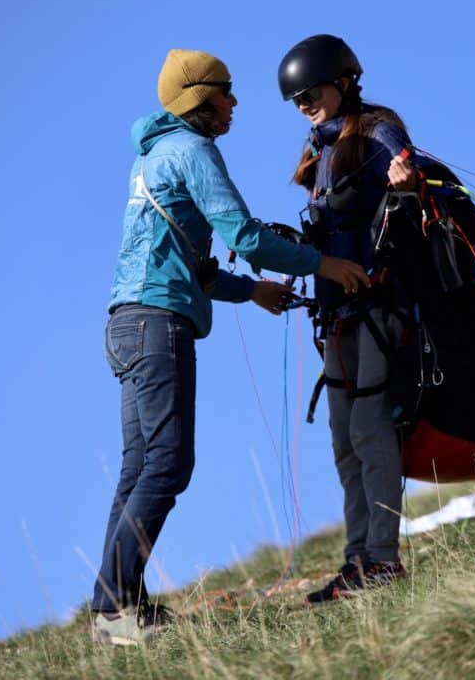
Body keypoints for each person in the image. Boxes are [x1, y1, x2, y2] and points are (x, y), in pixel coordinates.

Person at [93, 48, 370, 645]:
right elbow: (243, 235)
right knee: (167, 463)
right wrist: (324, 263)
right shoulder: (195, 151)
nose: (235, 103)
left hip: (126, 323)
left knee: (140, 467)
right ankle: (114, 609)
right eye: (226, 92)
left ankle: (119, 609)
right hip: (158, 326)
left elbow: (186, 263)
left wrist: (253, 294)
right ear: (200, 101)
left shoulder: (152, 156)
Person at [277, 34, 423, 604]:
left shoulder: (378, 130)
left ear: (342, 82)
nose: (304, 103)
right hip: (336, 310)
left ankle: (383, 562)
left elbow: (407, 189)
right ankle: (358, 561)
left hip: (379, 303)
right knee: (343, 440)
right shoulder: (318, 148)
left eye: (311, 92)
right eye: (296, 98)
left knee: (367, 429)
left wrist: (405, 184)